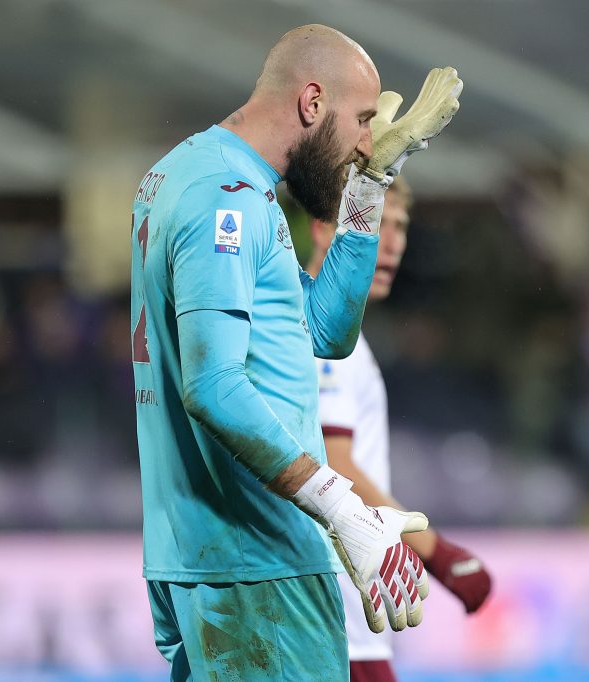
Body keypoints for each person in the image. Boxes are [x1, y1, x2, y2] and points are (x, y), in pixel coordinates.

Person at [129, 24, 463, 681]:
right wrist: (344, 511)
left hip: (216, 563)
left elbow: (322, 333)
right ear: (312, 103)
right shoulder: (224, 203)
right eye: (362, 121)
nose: (367, 141)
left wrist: (369, 187)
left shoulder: (202, 180)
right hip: (258, 566)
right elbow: (214, 386)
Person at [307, 177, 492, 682]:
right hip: (338, 612)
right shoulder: (326, 341)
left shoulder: (332, 331)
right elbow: (334, 462)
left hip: (336, 611)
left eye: (400, 227)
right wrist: (439, 553)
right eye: (375, 223)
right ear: (323, 229)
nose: (389, 244)